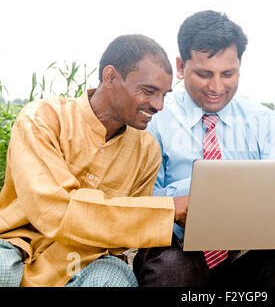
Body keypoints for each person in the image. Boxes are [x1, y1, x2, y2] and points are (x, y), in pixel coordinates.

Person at [132, 10, 275, 288]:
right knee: (172, 268)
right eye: (204, 74)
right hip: (176, 247)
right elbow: (139, 197)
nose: (216, 87)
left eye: (228, 73)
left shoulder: (263, 122)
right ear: (181, 66)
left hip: (249, 252)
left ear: (240, 65)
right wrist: (182, 200)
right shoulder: (155, 120)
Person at [0, 34, 188, 287]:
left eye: (164, 95)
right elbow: (56, 212)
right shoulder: (42, 119)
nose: (159, 105)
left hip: (92, 257)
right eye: (148, 91)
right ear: (110, 77)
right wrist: (168, 210)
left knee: (112, 281)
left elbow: (128, 233)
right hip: (18, 245)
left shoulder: (147, 150)